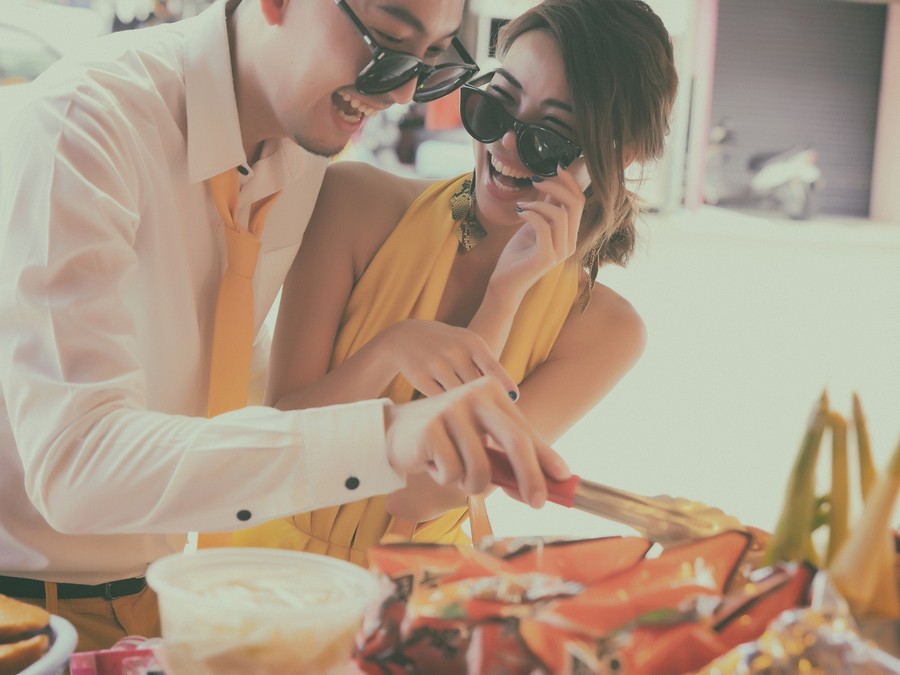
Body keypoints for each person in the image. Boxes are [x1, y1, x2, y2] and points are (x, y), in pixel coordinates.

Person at [0, 0, 571, 651]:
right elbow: (75, 467)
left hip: (160, 589)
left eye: (433, 58)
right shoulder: (84, 124)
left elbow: (216, 363)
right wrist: (384, 435)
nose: (402, 92)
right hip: (24, 608)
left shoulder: (302, 147)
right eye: (389, 41)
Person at [233, 0, 679, 564]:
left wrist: (503, 298)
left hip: (413, 596)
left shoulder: (605, 332)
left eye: (550, 137)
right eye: (496, 105)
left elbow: (418, 496)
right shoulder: (355, 203)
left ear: (619, 156)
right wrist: (392, 348)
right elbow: (282, 436)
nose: (505, 145)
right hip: (264, 566)